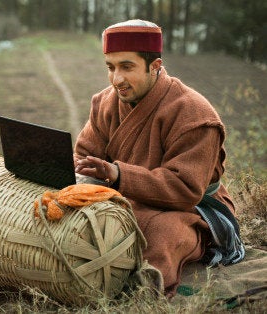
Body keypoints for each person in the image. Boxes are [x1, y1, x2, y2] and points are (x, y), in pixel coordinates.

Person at [73, 19, 244, 297]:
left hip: (191, 209)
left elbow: (185, 189)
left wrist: (117, 174)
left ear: (155, 66)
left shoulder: (193, 114)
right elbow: (84, 155)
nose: (117, 79)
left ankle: (144, 292)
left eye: (127, 67)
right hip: (127, 199)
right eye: (111, 67)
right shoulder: (105, 102)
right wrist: (81, 173)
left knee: (157, 232)